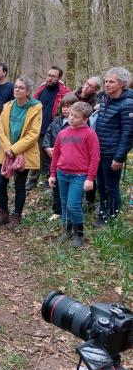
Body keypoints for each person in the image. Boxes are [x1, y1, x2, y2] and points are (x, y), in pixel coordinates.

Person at [0, 76, 42, 229]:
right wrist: (7, 148)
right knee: (0, 183)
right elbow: (1, 129)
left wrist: (14, 150)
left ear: (28, 92)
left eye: (21, 88)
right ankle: (3, 212)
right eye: (16, 87)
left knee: (20, 185)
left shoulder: (36, 108)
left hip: (23, 152)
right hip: (5, 151)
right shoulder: (7, 106)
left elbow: (33, 134)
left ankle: (17, 215)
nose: (17, 89)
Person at [48, 102, 100, 247]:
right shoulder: (62, 133)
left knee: (73, 204)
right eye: (71, 115)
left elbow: (95, 157)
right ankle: (67, 230)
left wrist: (90, 178)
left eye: (76, 117)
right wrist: (52, 174)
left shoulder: (89, 134)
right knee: (64, 204)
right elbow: (56, 154)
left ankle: (79, 234)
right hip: (62, 173)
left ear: (85, 119)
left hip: (79, 176)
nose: (71, 118)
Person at [94, 67, 133, 225]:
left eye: (111, 81)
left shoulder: (128, 104)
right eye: (106, 81)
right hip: (99, 150)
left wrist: (119, 157)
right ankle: (103, 212)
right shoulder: (105, 99)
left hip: (112, 153)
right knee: (101, 184)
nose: (107, 84)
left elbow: (128, 135)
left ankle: (112, 216)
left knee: (111, 186)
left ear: (122, 84)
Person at [27, 66, 72, 190]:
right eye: (48, 75)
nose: (50, 78)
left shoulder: (65, 92)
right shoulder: (42, 89)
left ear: (59, 78)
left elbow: (70, 107)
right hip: (38, 128)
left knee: (53, 156)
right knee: (37, 156)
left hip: (55, 129)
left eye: (53, 76)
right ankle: (32, 180)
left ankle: (50, 181)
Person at [42, 93, 80, 221]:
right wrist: (47, 148)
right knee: (56, 187)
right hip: (55, 160)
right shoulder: (56, 122)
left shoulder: (76, 125)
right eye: (63, 106)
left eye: (69, 106)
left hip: (70, 162)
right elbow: (47, 136)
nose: (65, 109)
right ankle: (57, 211)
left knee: (71, 189)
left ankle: (71, 212)